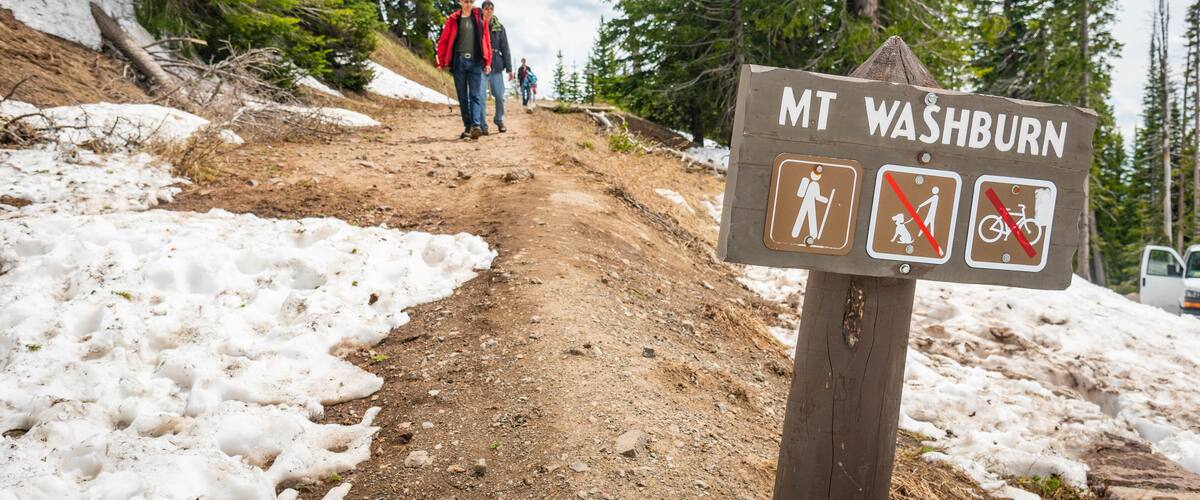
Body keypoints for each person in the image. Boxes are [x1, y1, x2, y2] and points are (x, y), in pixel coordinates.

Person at [436, 0, 492, 140]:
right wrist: (441, 62)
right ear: (460, 2)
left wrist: (488, 62)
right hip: (459, 62)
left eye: (471, 1)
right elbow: (443, 41)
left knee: (475, 95)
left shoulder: (480, 17)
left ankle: (476, 126)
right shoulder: (453, 19)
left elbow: (487, 41)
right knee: (462, 97)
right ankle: (468, 126)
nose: (468, 4)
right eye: (466, 1)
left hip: (476, 61)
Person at [480, 1, 512, 134]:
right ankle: (482, 125)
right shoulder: (478, 25)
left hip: (496, 65)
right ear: (482, 10)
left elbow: (505, 48)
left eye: (491, 9)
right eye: (486, 8)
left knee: (499, 96)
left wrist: (509, 68)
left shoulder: (499, 27)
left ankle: (499, 120)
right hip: (480, 65)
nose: (489, 11)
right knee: (480, 96)